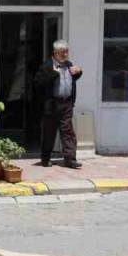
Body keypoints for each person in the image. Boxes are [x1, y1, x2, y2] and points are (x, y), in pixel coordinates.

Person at [34, 40, 83, 169]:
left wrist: (79, 72)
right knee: (49, 133)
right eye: (63, 52)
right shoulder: (47, 66)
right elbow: (38, 83)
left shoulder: (69, 64)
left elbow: (72, 79)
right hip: (52, 105)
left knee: (68, 133)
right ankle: (45, 159)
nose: (65, 55)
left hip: (66, 103)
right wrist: (54, 73)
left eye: (67, 52)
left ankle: (70, 160)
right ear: (55, 53)